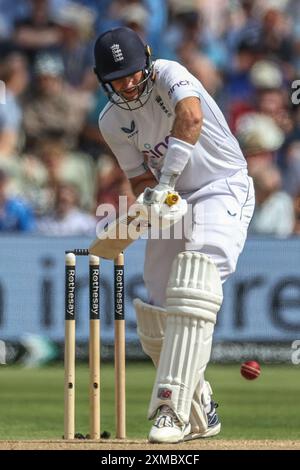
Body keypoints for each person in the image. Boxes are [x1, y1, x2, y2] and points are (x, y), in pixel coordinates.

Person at [93, 26, 255, 443]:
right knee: (159, 306)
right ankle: (201, 408)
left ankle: (171, 409)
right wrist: (150, 199)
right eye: (117, 79)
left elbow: (191, 117)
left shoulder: (169, 72)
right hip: (172, 200)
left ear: (146, 61)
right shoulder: (111, 121)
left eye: (132, 73)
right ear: (102, 79)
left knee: (196, 278)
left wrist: (165, 182)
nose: (128, 84)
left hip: (222, 185)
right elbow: (140, 177)